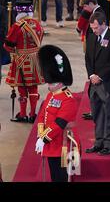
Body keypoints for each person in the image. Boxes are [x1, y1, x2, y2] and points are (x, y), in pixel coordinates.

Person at [35, 44, 81, 182]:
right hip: (52, 144)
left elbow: (59, 123)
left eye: (51, 82)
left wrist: (43, 138)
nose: (48, 85)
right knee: (55, 177)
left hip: (65, 145)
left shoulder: (68, 99)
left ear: (60, 83)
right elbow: (42, 116)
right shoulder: (51, 95)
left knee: (64, 178)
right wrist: (40, 134)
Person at [84, 11, 110, 155]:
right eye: (92, 28)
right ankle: (99, 142)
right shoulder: (91, 37)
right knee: (97, 114)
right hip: (94, 84)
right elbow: (88, 58)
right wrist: (91, 75)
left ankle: (109, 144)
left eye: (96, 28)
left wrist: (99, 76)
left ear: (103, 24)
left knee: (109, 115)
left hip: (108, 83)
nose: (93, 31)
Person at [3, 0, 44, 123]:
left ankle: (22, 114)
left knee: (22, 88)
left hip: (21, 60)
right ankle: (32, 114)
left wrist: (14, 51)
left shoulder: (17, 26)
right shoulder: (37, 24)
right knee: (33, 88)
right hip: (36, 59)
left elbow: (8, 45)